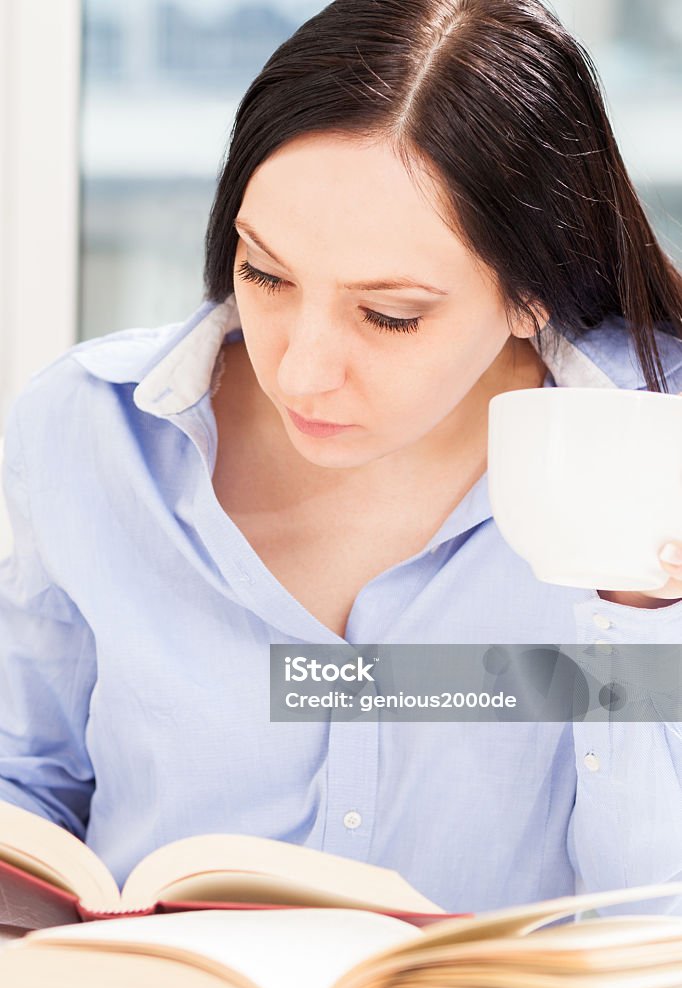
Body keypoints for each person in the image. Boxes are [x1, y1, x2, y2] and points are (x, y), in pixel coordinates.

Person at [1, 0, 682, 917]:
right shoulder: (91, 430)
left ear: (533, 289)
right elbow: (24, 789)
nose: (303, 370)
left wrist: (642, 617)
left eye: (390, 314)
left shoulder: (656, 443)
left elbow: (652, 925)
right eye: (265, 274)